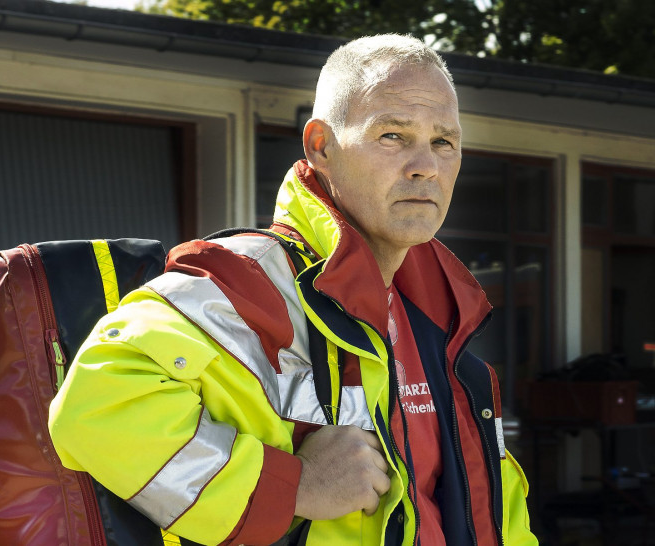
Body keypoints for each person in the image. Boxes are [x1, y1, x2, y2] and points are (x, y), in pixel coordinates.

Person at [49, 33, 537, 546]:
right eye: (393, 135)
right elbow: (95, 408)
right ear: (320, 147)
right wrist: (294, 486)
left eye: (444, 142)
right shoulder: (245, 283)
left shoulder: (446, 321)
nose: (426, 166)